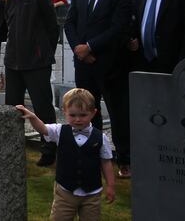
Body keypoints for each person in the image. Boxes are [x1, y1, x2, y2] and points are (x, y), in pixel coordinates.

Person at [64, 0, 133, 178]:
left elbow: (118, 28)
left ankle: (124, 160)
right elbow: (70, 23)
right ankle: (88, 155)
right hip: (84, 64)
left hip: (110, 65)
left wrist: (90, 47)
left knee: (118, 114)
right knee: (84, 113)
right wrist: (78, 48)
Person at [17, 88, 115, 221]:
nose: (78, 119)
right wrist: (33, 117)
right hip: (65, 192)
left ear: (93, 113)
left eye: (83, 115)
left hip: (92, 193)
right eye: (73, 115)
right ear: (65, 112)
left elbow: (106, 162)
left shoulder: (101, 137)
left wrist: (110, 185)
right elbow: (43, 129)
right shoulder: (59, 131)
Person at [2, 0, 59, 166]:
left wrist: (42, 53)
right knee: (12, 109)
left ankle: (49, 150)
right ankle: (13, 150)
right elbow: (9, 26)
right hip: (13, 62)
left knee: (42, 107)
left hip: (36, 63)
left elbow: (52, 29)